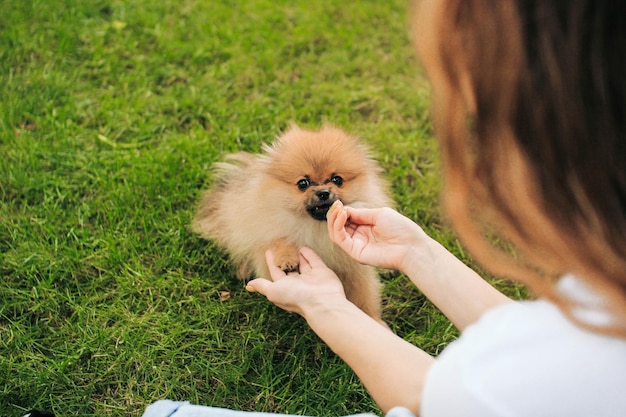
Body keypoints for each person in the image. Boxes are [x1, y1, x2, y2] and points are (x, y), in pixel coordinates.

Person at [143, 0, 626, 416]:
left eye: (486, 127)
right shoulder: (598, 305)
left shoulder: (542, 379)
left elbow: (438, 399)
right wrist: (418, 251)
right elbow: (541, 344)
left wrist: (328, 309)